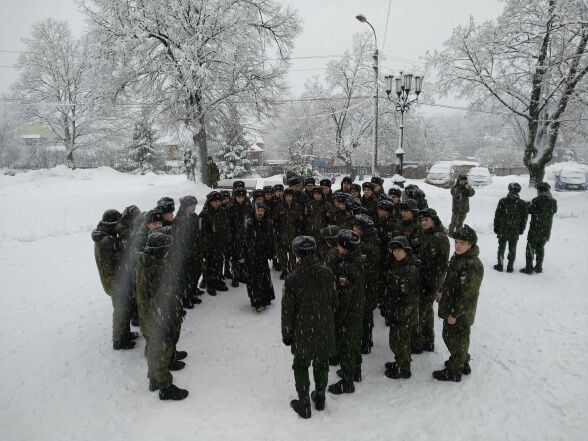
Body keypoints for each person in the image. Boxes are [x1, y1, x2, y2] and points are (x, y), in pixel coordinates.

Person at [282, 236, 338, 418]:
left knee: (300, 364)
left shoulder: (293, 278)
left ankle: (304, 402)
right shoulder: (328, 274)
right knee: (321, 362)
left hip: (302, 329)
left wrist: (287, 333)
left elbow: (287, 311)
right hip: (324, 326)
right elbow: (334, 302)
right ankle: (320, 397)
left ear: (296, 254)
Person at [143, 230, 190, 400]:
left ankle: (154, 378)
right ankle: (165, 386)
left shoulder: (148, 263)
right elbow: (158, 298)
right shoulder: (155, 269)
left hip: (151, 317)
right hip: (159, 317)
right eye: (167, 247)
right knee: (161, 349)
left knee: (155, 349)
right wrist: (166, 321)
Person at [434, 225, 484, 382]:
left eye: (462, 243)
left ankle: (455, 371)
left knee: (456, 338)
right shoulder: (457, 258)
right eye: (456, 241)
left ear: (470, 245)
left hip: (460, 312)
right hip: (451, 306)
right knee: (451, 336)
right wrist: (441, 291)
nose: (457, 245)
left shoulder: (472, 265)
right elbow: (450, 279)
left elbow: (468, 295)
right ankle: (462, 361)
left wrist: (455, 314)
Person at [92, 209, 136, 350]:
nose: (121, 225)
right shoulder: (108, 241)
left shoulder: (104, 234)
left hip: (113, 279)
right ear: (112, 224)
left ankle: (125, 334)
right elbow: (121, 258)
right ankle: (119, 341)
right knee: (121, 310)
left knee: (124, 308)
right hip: (114, 281)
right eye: (119, 223)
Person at [327, 230, 365, 394]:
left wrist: (338, 319)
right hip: (358, 308)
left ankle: (347, 381)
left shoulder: (345, 267)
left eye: (340, 246)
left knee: (346, 345)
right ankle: (356, 371)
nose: (338, 249)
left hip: (349, 312)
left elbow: (345, 297)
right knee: (355, 341)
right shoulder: (358, 259)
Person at [381, 236, 420, 379]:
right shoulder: (396, 265)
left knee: (401, 341)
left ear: (406, 251)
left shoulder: (409, 269)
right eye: (394, 250)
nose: (396, 253)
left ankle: (403, 369)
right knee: (396, 340)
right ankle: (401, 360)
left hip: (404, 314)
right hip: (396, 311)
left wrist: (400, 313)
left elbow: (410, 297)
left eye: (399, 250)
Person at [414, 208, 450, 353]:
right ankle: (428, 341)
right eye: (421, 220)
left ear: (434, 220)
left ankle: (417, 344)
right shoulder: (427, 234)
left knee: (419, 313)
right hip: (424, 279)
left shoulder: (439, 237)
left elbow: (442, 265)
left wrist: (437, 287)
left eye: (426, 220)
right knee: (427, 313)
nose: (423, 223)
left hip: (430, 282)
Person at [239, 202, 276, 312]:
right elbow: (241, 241)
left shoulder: (267, 224)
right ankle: (257, 302)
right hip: (251, 256)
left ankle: (266, 298)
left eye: (262, 211)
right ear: (254, 211)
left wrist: (272, 251)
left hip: (263, 256)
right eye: (258, 210)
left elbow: (271, 240)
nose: (260, 213)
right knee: (253, 280)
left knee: (265, 278)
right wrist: (241, 255)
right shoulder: (248, 224)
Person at [352, 214, 381, 354]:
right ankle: (364, 339)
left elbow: (368, 267)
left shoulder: (369, 246)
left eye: (356, 227)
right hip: (363, 284)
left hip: (368, 285)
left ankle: (366, 342)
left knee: (366, 315)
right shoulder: (364, 241)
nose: (353, 229)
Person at [172, 196, 203, 309]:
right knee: (186, 277)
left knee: (195, 273)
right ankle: (185, 298)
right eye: (191, 206)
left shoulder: (195, 217)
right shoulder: (178, 221)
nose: (194, 207)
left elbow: (198, 233)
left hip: (195, 250)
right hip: (184, 253)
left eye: (195, 205)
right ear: (185, 207)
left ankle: (192, 293)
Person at [520, 182, 558, 274]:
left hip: (535, 229)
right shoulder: (553, 201)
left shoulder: (536, 200)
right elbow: (554, 211)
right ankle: (539, 267)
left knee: (530, 247)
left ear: (539, 190)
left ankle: (529, 268)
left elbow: (529, 210)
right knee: (540, 247)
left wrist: (527, 204)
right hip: (546, 230)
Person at [493, 183, 529, 273]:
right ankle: (510, 266)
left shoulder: (502, 201)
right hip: (515, 229)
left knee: (501, 246)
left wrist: (496, 227)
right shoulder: (522, 203)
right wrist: (521, 229)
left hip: (502, 228)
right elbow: (524, 219)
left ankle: (500, 264)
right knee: (512, 248)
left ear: (509, 190)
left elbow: (497, 216)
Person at [200, 191, 229, 295]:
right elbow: (201, 232)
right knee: (210, 265)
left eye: (219, 201)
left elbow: (225, 227)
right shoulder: (204, 214)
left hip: (220, 243)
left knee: (219, 262)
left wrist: (225, 240)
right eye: (215, 201)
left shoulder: (222, 211)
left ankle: (217, 280)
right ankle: (210, 284)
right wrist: (206, 245)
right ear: (210, 201)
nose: (217, 203)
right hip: (209, 245)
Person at [275, 189, 304, 279]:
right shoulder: (279, 206)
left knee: (292, 254)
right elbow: (275, 220)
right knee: (282, 255)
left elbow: (300, 220)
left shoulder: (296, 206)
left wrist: (299, 231)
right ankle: (284, 270)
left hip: (293, 234)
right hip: (282, 233)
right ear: (284, 197)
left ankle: (292, 270)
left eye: (290, 196)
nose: (288, 198)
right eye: (287, 196)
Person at [227, 187, 253, 287]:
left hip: (246, 235)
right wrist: (231, 236)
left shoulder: (248, 207)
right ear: (235, 197)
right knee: (235, 257)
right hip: (235, 236)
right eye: (239, 197)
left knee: (244, 255)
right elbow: (228, 223)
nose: (241, 199)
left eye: (242, 197)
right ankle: (235, 276)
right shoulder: (231, 208)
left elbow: (251, 220)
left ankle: (243, 274)